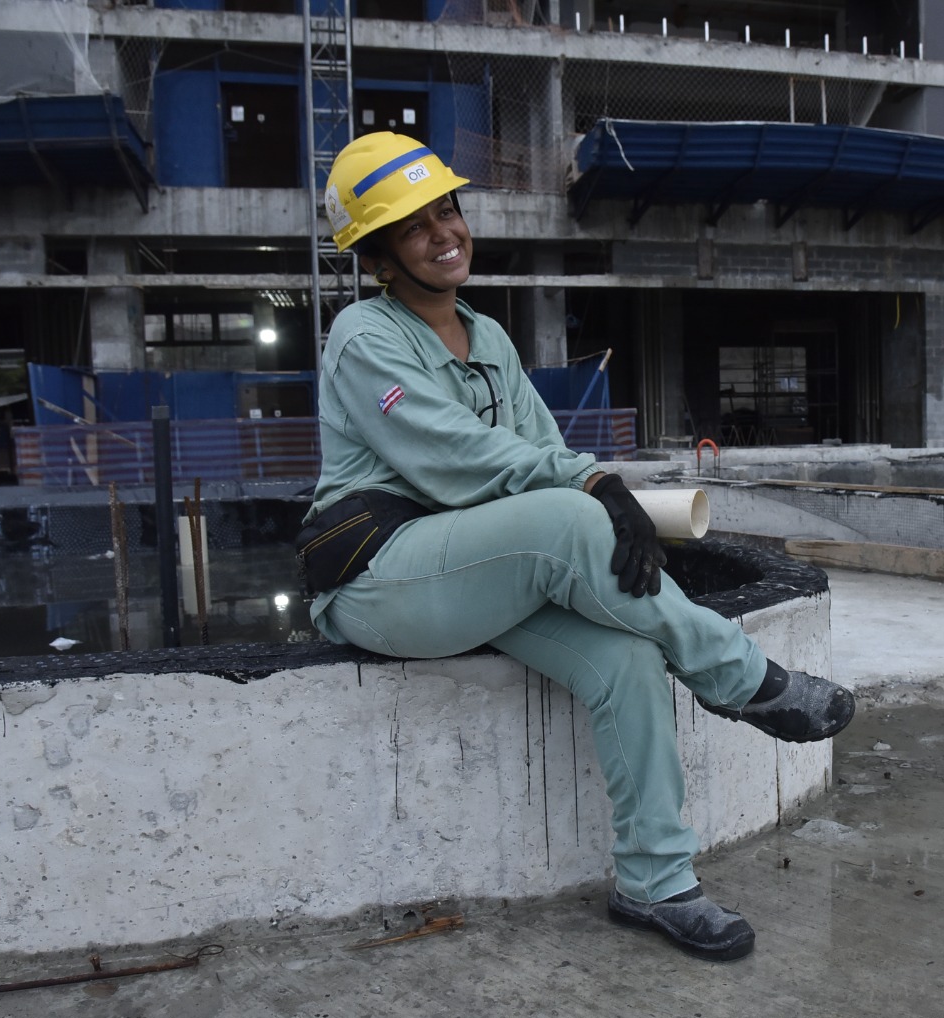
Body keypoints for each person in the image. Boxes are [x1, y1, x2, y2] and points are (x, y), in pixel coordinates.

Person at [299, 132, 855, 962]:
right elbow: (455, 456)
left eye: (447, 209)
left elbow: (544, 453)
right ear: (378, 255)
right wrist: (597, 493)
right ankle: (739, 678)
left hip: (478, 574)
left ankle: (656, 884)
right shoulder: (362, 336)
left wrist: (609, 511)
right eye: (414, 226)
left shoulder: (487, 338)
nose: (444, 231)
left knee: (627, 660)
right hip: (382, 576)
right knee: (570, 520)